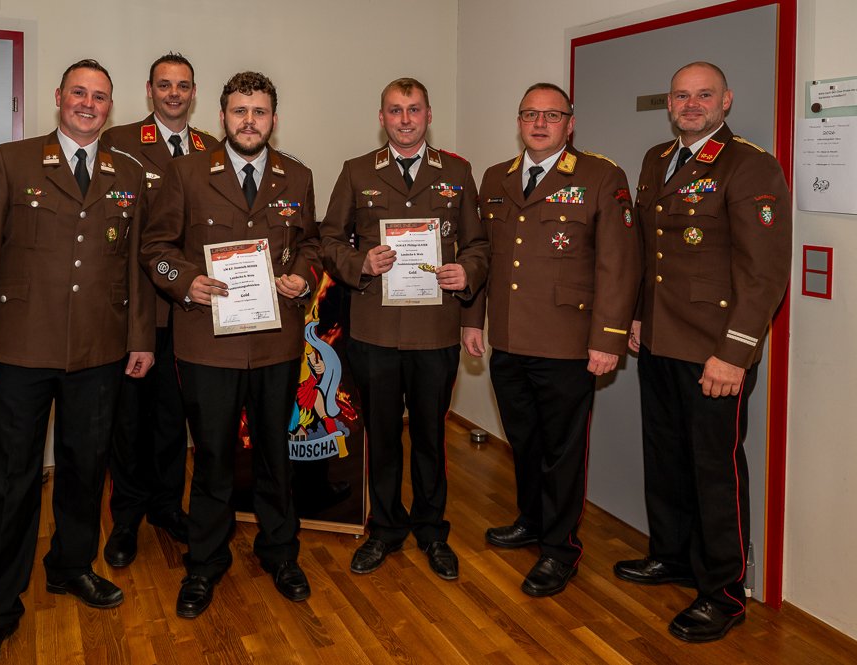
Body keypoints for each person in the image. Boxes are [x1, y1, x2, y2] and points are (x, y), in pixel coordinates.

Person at [0, 59, 154, 665]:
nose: (88, 104)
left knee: (86, 469)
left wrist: (140, 338)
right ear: (59, 96)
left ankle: (71, 566)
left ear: (110, 106)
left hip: (99, 349)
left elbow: (135, 267)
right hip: (20, 348)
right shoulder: (11, 162)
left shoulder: (127, 173)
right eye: (79, 93)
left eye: (100, 97)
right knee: (10, 480)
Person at [613, 62, 791, 642]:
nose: (691, 105)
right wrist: (637, 315)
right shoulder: (656, 160)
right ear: (669, 103)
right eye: (682, 96)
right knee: (665, 457)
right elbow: (650, 253)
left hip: (713, 350)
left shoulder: (749, 164)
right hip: (660, 340)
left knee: (716, 471)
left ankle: (724, 592)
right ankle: (671, 556)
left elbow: (763, 274)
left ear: (726, 101)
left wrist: (734, 353)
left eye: (704, 95)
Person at [140, 71, 320, 618]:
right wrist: (184, 281)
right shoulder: (187, 172)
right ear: (222, 116)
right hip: (207, 344)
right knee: (213, 456)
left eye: (259, 112)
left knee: (274, 453)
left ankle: (280, 552)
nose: (249, 121)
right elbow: (156, 247)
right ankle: (204, 562)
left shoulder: (297, 176)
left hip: (275, 342)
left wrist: (304, 275)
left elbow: (311, 243)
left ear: (273, 119)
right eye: (240, 111)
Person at [463, 83, 640, 597]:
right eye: (530, 114)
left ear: (571, 123)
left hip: (568, 343)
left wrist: (607, 338)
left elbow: (619, 264)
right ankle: (532, 520)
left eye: (552, 115)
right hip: (508, 338)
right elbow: (483, 255)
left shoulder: (600, 176)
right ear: (519, 122)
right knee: (524, 441)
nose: (540, 124)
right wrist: (472, 320)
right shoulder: (497, 177)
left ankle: (561, 549)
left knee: (562, 451)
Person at [321, 77, 488, 581]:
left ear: (429, 114)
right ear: (382, 118)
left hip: (435, 331)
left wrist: (467, 272)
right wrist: (361, 263)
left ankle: (432, 530)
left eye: (414, 109)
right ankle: (386, 528)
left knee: (432, 437)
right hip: (374, 330)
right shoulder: (356, 171)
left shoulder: (457, 172)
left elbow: (478, 245)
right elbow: (329, 240)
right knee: (383, 436)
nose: (405, 119)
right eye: (395, 110)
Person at [99, 53, 219, 568]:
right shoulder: (119, 142)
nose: (174, 94)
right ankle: (126, 518)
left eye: (183, 85)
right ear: (149, 90)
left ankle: (168, 506)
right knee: (128, 421)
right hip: (137, 309)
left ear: (194, 92)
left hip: (191, 310)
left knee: (174, 418)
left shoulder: (212, 149)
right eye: (164, 85)